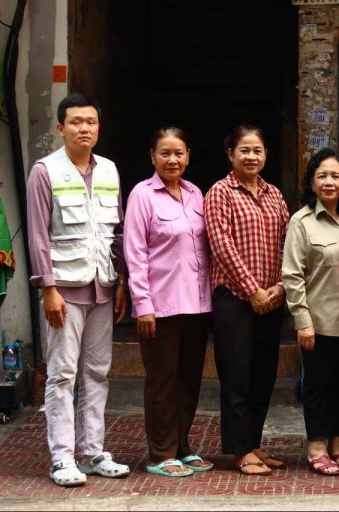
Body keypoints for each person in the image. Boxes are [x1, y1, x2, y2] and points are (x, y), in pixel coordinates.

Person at [26, 93, 130, 487]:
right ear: (60, 128)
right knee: (62, 374)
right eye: (76, 122)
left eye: (91, 122)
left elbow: (116, 233)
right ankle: (62, 458)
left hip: (102, 287)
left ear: (98, 127)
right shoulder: (45, 171)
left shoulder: (110, 170)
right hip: (65, 290)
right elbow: (38, 235)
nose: (84, 128)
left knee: (97, 372)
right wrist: (47, 288)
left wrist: (120, 282)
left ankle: (92, 451)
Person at [123, 127, 214, 477]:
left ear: (188, 155)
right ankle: (160, 453)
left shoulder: (195, 194)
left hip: (198, 305)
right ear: (152, 157)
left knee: (189, 380)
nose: (172, 160)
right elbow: (135, 254)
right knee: (162, 380)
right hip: (160, 306)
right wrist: (143, 305)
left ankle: (181, 446)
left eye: (178, 153)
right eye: (165, 153)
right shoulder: (142, 195)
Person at [204, 125, 290, 475]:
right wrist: (252, 289)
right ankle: (239, 450)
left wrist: (281, 286)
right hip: (235, 298)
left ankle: (253, 443)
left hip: (271, 298)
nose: (251, 156)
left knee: (263, 374)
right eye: (244, 150)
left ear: (266, 154)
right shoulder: (220, 193)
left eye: (257, 150)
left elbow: (288, 242)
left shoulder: (274, 195)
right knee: (236, 373)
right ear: (231, 154)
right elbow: (221, 245)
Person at [282, 148, 339, 476]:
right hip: (318, 323)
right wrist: (302, 321)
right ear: (312, 182)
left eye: (335, 176)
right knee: (318, 387)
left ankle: (338, 446)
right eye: (322, 176)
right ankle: (316, 448)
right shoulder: (301, 222)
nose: (329, 182)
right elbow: (292, 275)